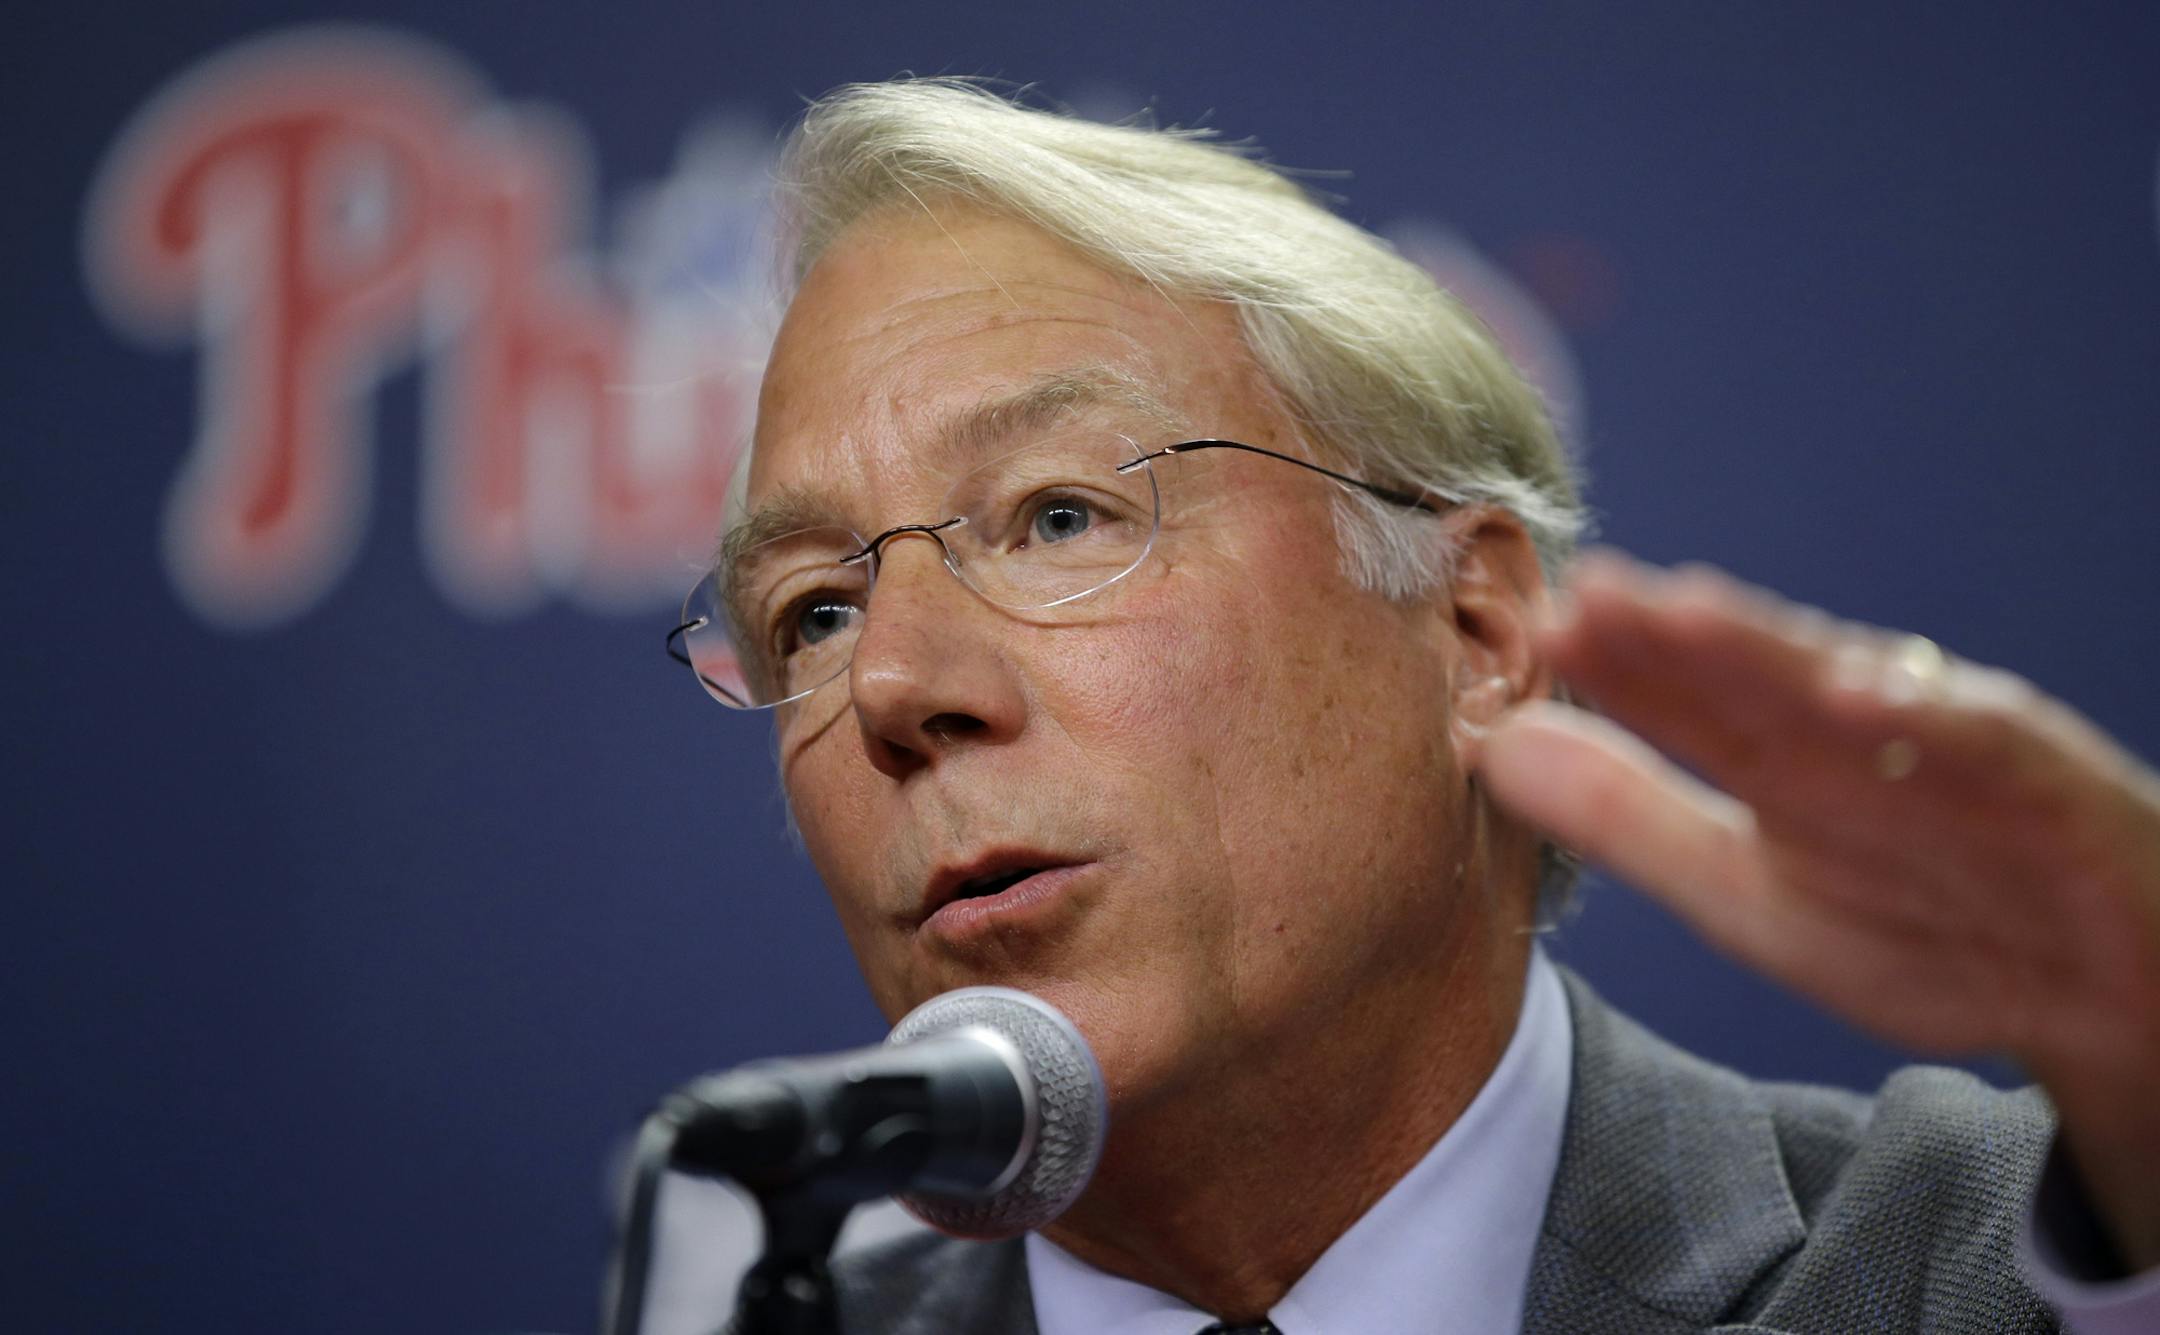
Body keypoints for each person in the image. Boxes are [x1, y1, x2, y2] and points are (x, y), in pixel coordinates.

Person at [671, 79, 2160, 1332]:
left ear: (1476, 631)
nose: (894, 685)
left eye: (1060, 518)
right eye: (817, 611)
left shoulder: (2019, 1262)